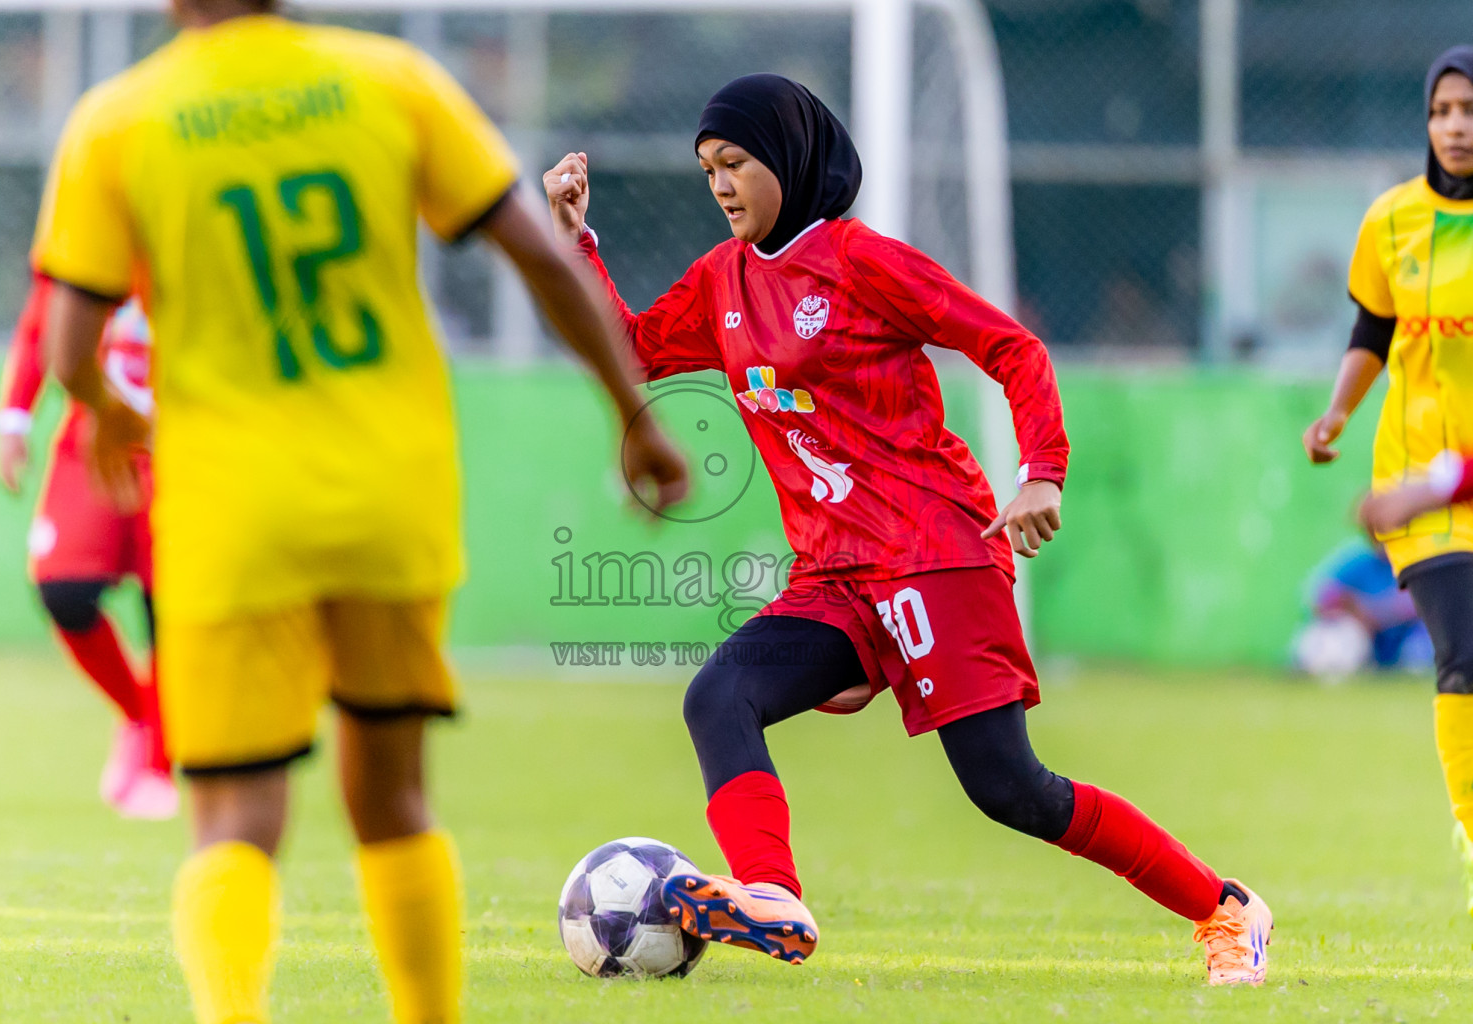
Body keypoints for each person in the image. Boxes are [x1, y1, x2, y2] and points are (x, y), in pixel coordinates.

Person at [31, 0, 688, 1020]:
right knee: (392, 797)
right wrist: (631, 412)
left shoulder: (119, 120)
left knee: (235, 814)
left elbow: (69, 346)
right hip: (389, 493)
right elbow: (538, 256)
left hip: (232, 507)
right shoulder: (392, 80)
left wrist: (107, 410)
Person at [544, 73, 1272, 986]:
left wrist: (1041, 471)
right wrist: (577, 242)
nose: (721, 185)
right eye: (707, 170)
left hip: (935, 553)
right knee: (717, 697)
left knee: (1010, 789)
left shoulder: (862, 262)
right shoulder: (722, 279)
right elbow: (634, 350)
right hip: (835, 577)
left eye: (735, 162)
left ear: (790, 159)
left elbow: (1012, 348)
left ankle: (1226, 908)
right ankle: (773, 895)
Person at [1304, 45, 1473, 916]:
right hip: (1421, 489)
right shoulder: (1393, 220)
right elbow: (1373, 325)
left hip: (1450, 480)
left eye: (1470, 110)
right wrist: (1338, 411)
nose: (1456, 126)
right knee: (1464, 650)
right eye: (1443, 110)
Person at [0, 272, 174, 819]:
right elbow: (47, 312)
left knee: (171, 606)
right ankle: (139, 715)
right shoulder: (89, 228)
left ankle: (159, 764)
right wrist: (15, 415)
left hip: (183, 443)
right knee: (65, 591)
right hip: (95, 433)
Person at [1293, 536, 1433, 679]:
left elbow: (1419, 604)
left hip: (1407, 638)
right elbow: (1320, 597)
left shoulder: (1420, 562)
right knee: (1337, 631)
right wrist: (1353, 609)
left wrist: (1370, 612)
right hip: (1370, 641)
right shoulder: (1361, 561)